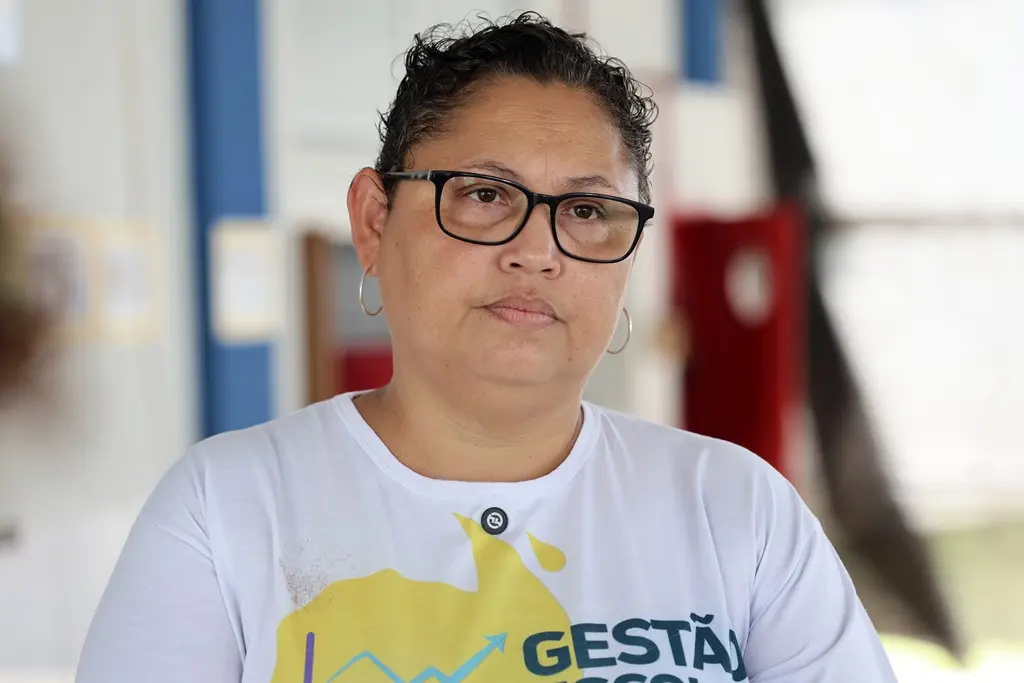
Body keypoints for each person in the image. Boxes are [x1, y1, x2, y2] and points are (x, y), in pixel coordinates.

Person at [76, 13, 896, 683]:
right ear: (373, 220)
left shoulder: (737, 511)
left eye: (584, 212)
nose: (537, 249)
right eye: (483, 194)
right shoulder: (225, 511)